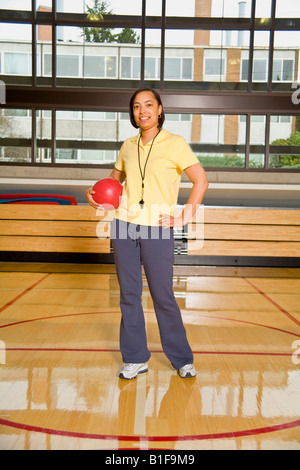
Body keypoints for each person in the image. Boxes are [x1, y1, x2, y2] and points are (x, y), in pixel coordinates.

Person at [86, 87, 209, 380]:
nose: (143, 111)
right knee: (129, 295)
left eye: (148, 105)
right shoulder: (127, 146)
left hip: (157, 228)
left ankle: (181, 358)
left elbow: (201, 180)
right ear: (133, 113)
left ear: (159, 110)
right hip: (123, 225)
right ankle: (135, 358)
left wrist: (184, 216)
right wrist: (93, 195)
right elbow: (111, 183)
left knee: (163, 295)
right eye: (137, 107)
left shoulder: (175, 143)